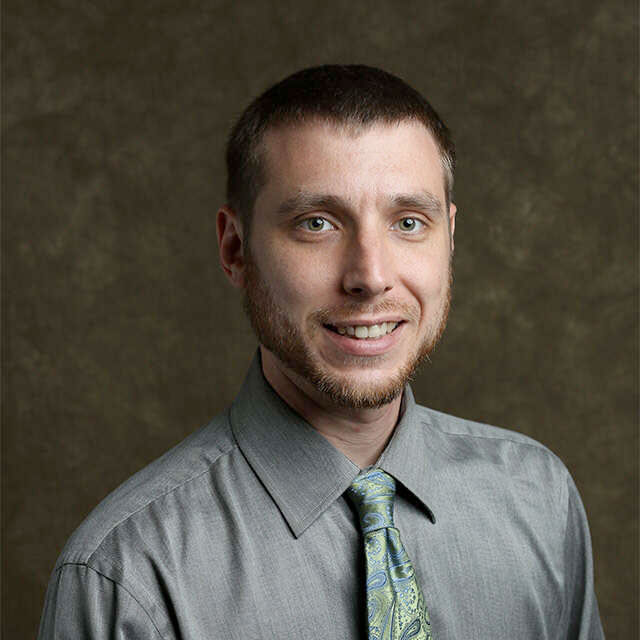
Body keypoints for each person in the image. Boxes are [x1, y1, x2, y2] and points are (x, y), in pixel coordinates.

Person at [37, 65, 604, 639]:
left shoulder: (539, 499)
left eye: (409, 222)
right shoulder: (127, 575)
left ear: (450, 238)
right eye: (317, 224)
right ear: (235, 249)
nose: (370, 276)